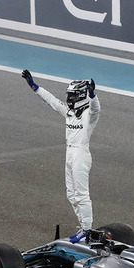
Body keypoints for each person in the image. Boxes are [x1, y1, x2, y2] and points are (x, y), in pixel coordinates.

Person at [21, 69, 101, 243]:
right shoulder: (69, 112)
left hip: (80, 153)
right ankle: (83, 227)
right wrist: (35, 87)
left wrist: (93, 95)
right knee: (71, 195)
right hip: (69, 153)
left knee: (81, 194)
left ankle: (87, 230)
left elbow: (96, 109)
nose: (69, 99)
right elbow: (52, 101)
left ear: (80, 96)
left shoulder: (88, 115)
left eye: (72, 95)